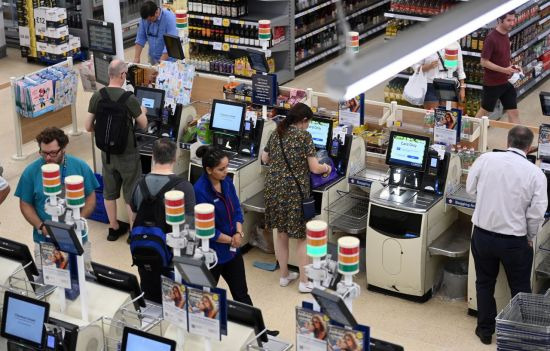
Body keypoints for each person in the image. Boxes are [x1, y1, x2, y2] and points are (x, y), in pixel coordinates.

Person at [466, 126, 547, 345]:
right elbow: (537, 213)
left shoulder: (486, 159)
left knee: (484, 282)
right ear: (529, 147)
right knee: (520, 289)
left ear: (507, 141)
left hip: (482, 235)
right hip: (514, 241)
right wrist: (530, 236)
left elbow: (470, 189)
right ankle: (520, 336)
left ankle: (484, 331)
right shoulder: (535, 174)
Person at [261, 103, 332, 293]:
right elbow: (315, 168)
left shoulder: (276, 133)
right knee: (302, 237)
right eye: (308, 123)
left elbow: (264, 158)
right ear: (304, 120)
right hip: (294, 191)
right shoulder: (304, 136)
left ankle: (284, 276)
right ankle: (304, 281)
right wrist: (327, 168)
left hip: (273, 189)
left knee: (281, 233)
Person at [14, 127, 99, 270]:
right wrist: (41, 226)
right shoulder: (31, 172)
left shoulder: (80, 167)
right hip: (46, 242)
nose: (48, 158)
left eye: (53, 153)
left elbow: (91, 198)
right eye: (44, 153)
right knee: (50, 282)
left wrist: (80, 219)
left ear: (63, 149)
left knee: (84, 279)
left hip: (77, 238)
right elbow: (25, 204)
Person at [86, 60, 148, 241]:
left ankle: (113, 228)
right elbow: (143, 125)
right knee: (131, 193)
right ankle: (133, 232)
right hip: (128, 154)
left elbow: (88, 126)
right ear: (123, 75)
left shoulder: (98, 95)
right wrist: (142, 111)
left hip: (106, 154)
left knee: (109, 191)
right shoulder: (129, 98)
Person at [129, 138, 195, 301]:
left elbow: (133, 218)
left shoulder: (139, 184)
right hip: (172, 257)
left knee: (149, 297)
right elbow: (190, 227)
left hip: (144, 252)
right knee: (176, 302)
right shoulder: (183, 187)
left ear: (153, 156)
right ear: (175, 157)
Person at [193, 145, 253, 305]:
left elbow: (237, 210)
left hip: (233, 248)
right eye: (221, 169)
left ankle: (257, 330)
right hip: (212, 252)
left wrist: (238, 234)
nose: (226, 171)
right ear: (209, 170)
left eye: (227, 167)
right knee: (205, 298)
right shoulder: (200, 191)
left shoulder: (226, 182)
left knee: (241, 295)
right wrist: (231, 239)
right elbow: (206, 228)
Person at [475, 11, 521, 123]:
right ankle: (467, 134)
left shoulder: (505, 35)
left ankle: (518, 140)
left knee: (514, 112)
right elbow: (484, 62)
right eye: (508, 20)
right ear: (500, 21)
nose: (512, 23)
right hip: (492, 84)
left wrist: (512, 67)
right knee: (483, 113)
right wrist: (504, 70)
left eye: (513, 20)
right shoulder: (491, 38)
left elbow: (501, 57)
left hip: (505, 82)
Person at [415, 41, 466, 110]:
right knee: (432, 117)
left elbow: (460, 69)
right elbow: (416, 68)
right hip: (430, 85)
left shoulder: (454, 44)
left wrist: (462, 88)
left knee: (449, 115)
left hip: (448, 85)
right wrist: (429, 66)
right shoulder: (426, 44)